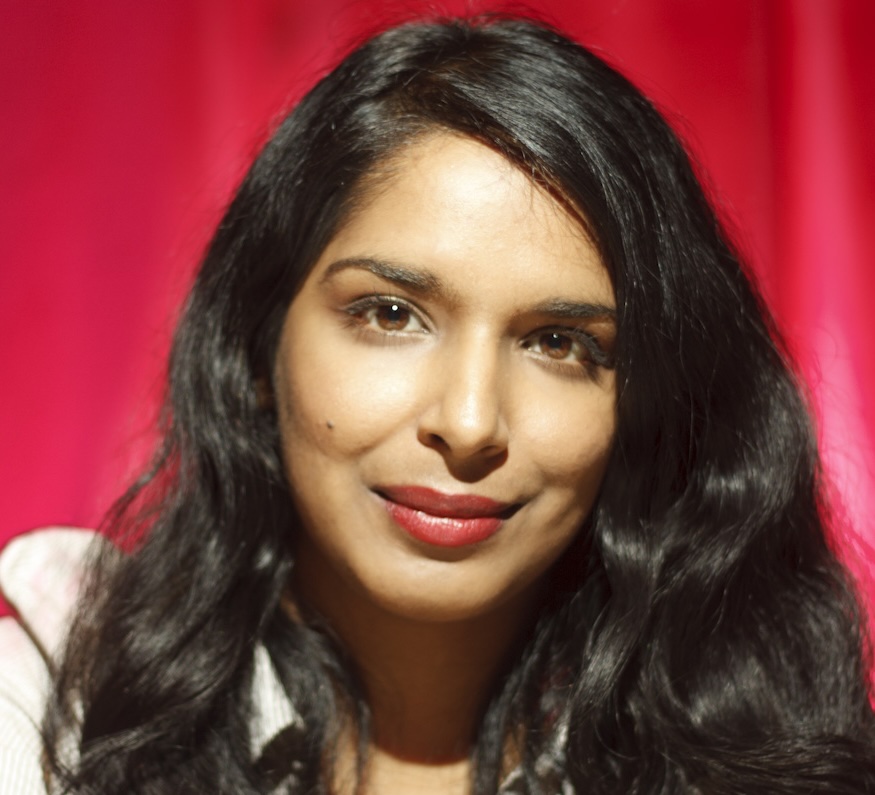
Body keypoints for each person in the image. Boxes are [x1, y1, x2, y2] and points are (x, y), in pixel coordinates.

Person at [1, 13, 874, 794]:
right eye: (390, 314)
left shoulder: (775, 756)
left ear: (648, 405)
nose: (466, 422)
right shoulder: (45, 721)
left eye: (559, 343)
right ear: (256, 345)